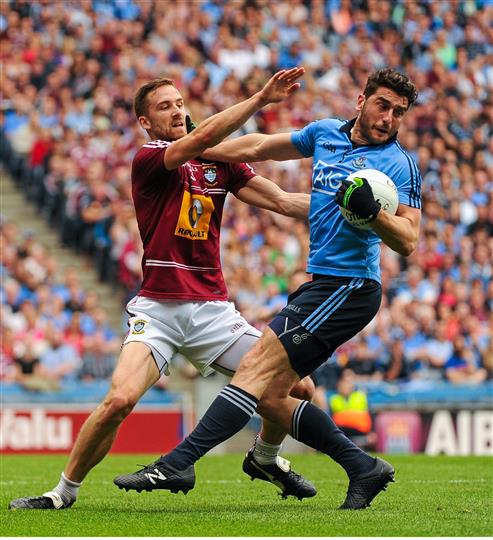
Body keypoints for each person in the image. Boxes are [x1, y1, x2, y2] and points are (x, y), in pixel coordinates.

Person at [9, 67, 319, 510]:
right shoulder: (150, 157)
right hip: (159, 310)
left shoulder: (221, 161)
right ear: (146, 122)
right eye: (163, 106)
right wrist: (260, 99)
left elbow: (283, 202)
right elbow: (197, 141)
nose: (176, 110)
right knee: (119, 399)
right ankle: (62, 492)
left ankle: (265, 458)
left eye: (178, 102)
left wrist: (347, 205)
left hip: (213, 312)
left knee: (301, 388)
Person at [114, 68, 422, 510]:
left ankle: (178, 463)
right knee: (283, 389)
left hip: (351, 286)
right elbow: (259, 146)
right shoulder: (325, 134)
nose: (389, 118)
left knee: (254, 371)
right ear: (361, 100)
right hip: (323, 284)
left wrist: (375, 214)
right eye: (383, 105)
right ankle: (352, 466)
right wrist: (205, 148)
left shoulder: (400, 163)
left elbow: (408, 241)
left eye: (399, 112)